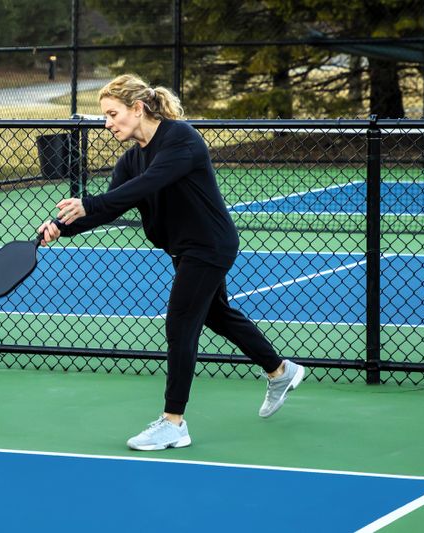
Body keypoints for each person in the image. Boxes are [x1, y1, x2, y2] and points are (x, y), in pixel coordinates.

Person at [38, 74, 304, 451]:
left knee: (180, 321)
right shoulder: (131, 159)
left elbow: (148, 185)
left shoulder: (181, 138)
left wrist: (89, 203)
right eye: (105, 117)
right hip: (184, 249)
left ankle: (173, 423)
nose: (108, 124)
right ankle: (280, 370)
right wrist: (62, 228)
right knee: (216, 314)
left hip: (209, 245)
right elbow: (114, 204)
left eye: (113, 114)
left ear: (138, 108)